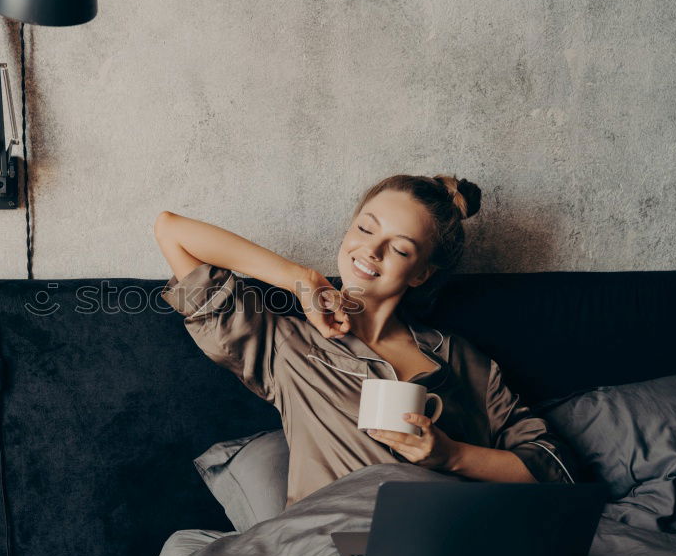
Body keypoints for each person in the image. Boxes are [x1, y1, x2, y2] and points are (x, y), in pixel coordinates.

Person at [153, 173, 578, 508]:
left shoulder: (461, 360)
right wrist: (300, 280)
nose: (371, 251)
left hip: (445, 541)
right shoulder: (285, 344)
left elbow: (556, 470)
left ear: (421, 273)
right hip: (327, 549)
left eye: (400, 249)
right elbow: (171, 230)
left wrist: (451, 456)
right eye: (365, 228)